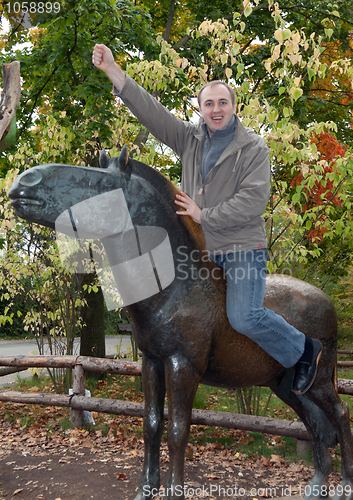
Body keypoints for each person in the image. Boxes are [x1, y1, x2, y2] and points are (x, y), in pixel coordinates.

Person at [92, 43, 322, 394]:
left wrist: (204, 214)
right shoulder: (190, 139)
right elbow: (151, 112)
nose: (216, 109)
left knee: (243, 317)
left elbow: (254, 200)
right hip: (198, 249)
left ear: (234, 107)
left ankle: (304, 349)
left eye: (222, 102)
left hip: (242, 247)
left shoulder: (254, 148)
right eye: (208, 103)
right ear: (200, 109)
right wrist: (113, 70)